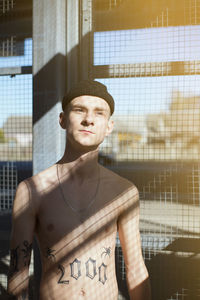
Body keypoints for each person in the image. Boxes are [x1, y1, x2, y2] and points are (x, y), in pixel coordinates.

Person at [7, 80, 151, 300]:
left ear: (109, 126)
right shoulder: (32, 191)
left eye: (99, 113)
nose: (89, 119)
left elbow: (136, 268)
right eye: (79, 110)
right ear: (63, 120)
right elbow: (18, 274)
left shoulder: (123, 191)